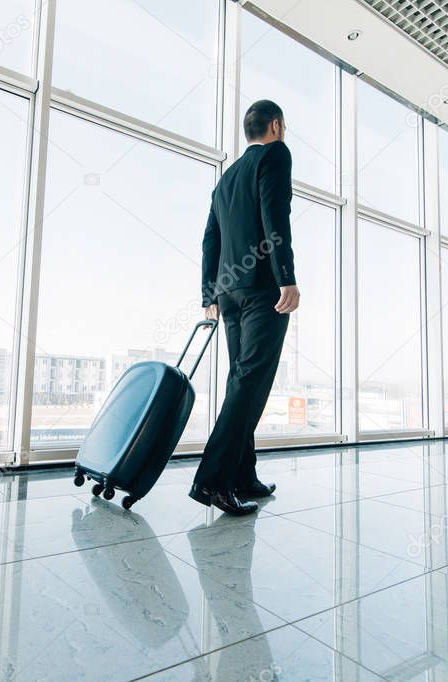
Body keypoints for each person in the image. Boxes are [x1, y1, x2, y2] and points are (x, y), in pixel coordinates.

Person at [190, 100, 300, 516]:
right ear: (276, 125)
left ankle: (243, 475)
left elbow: (209, 239)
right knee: (249, 384)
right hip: (261, 289)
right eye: (284, 127)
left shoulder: (227, 177)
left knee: (241, 381)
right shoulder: (276, 154)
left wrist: (209, 295)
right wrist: (286, 275)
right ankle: (212, 481)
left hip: (229, 293)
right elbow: (276, 215)